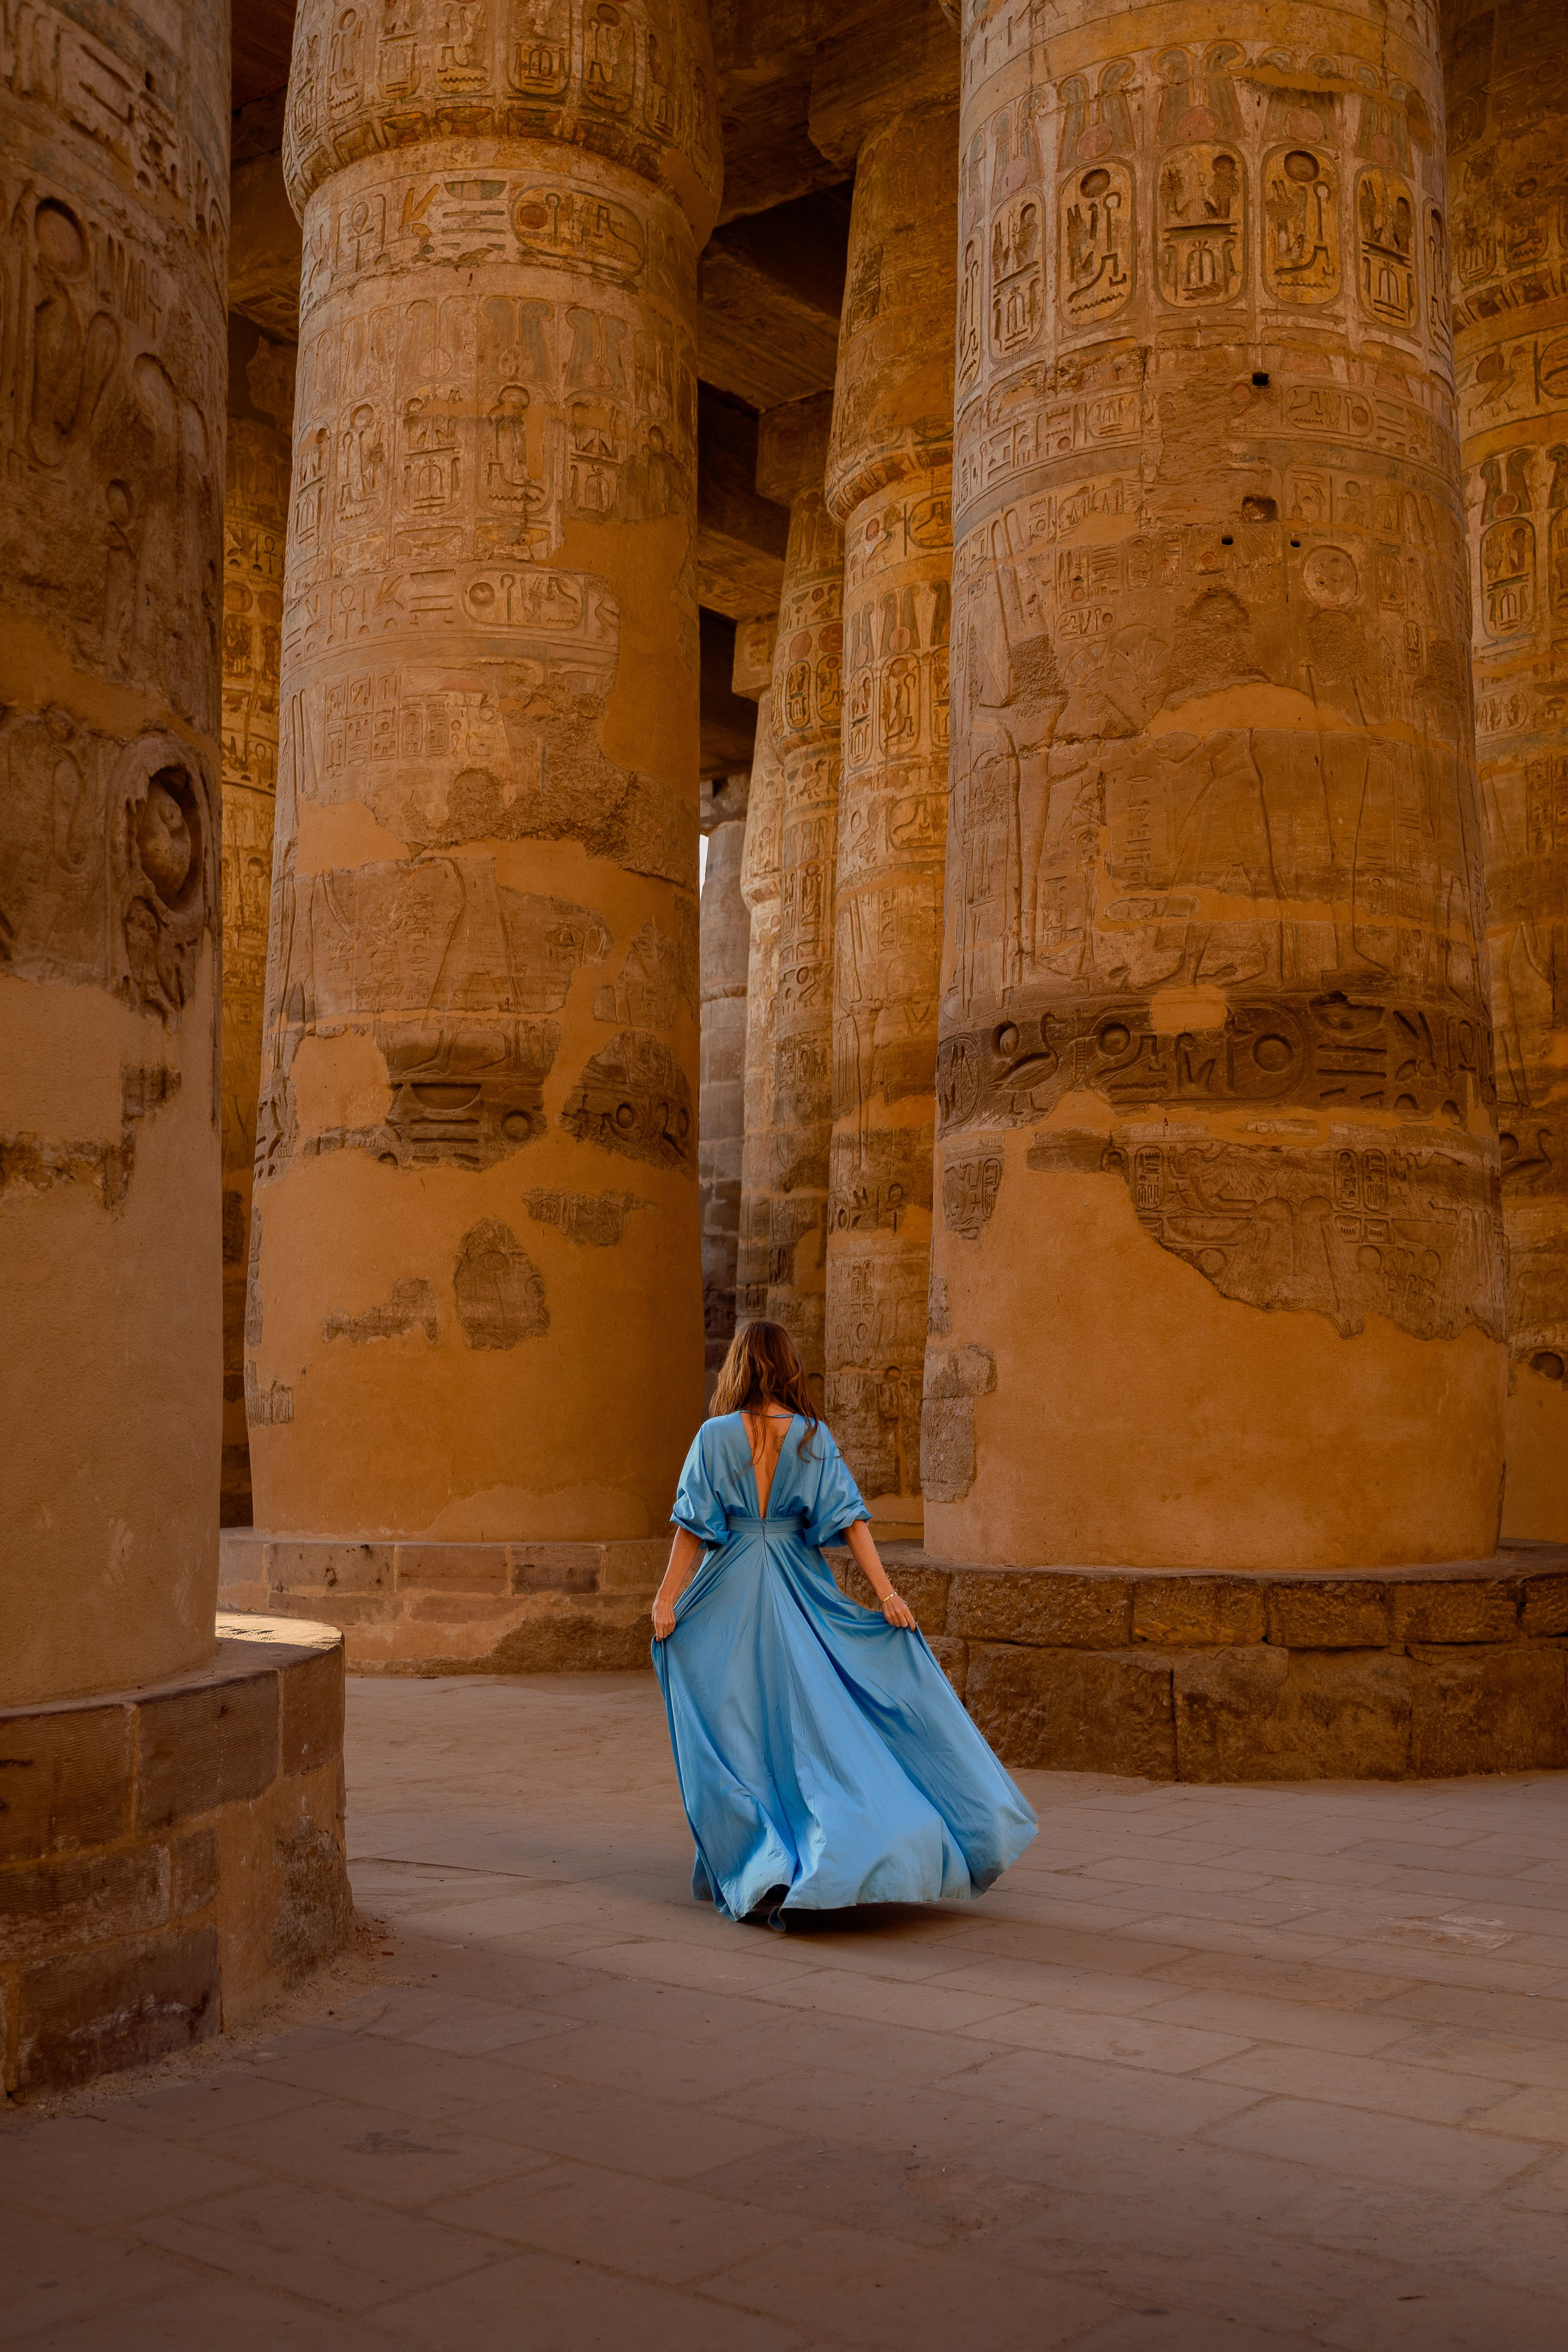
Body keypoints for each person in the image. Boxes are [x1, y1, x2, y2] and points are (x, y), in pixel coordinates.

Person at [650, 1319, 1037, 1927]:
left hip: (730, 1590)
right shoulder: (812, 1437)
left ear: (739, 1367)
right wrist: (887, 1595)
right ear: (785, 1367)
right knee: (811, 1717)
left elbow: (692, 1528)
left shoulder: (714, 1435)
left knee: (735, 1724)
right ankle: (836, 1844)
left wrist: (665, 1600)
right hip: (796, 1582)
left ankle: (761, 1860)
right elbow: (853, 1522)